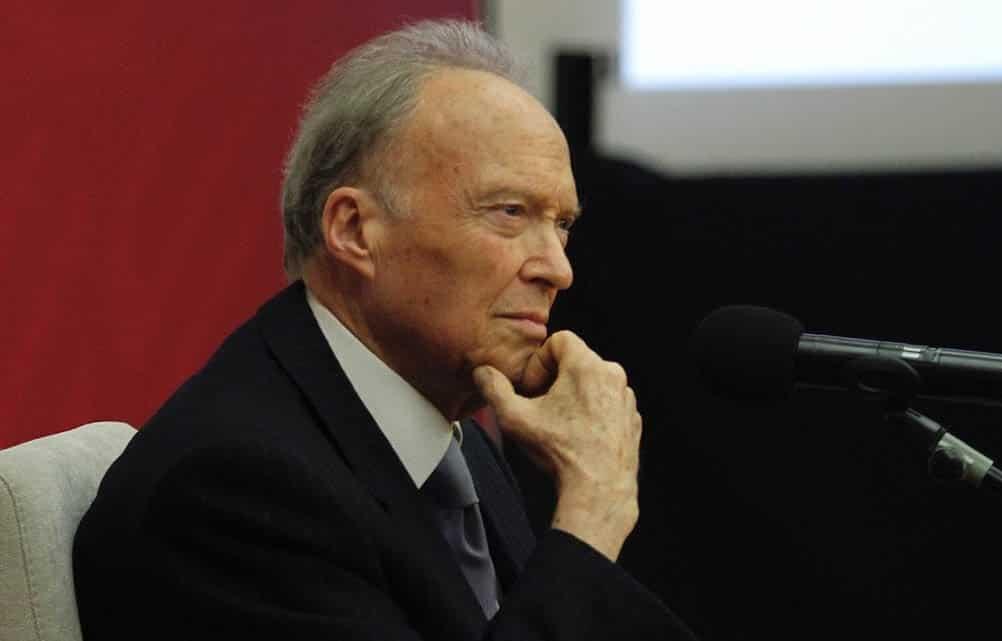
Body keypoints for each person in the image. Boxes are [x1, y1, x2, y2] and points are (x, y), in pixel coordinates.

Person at [73, 19, 696, 641]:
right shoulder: (235, 485)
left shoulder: (453, 439)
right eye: (510, 212)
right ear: (354, 231)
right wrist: (591, 512)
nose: (558, 269)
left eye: (561, 225)